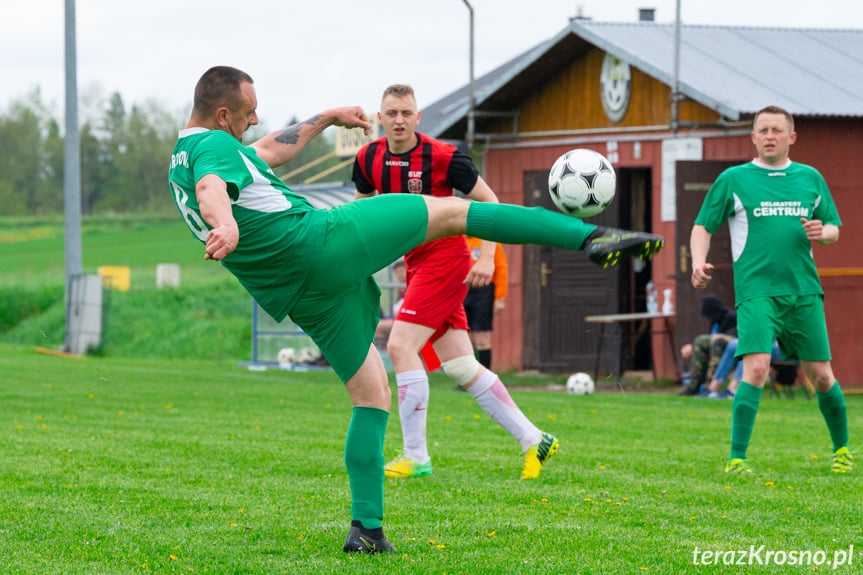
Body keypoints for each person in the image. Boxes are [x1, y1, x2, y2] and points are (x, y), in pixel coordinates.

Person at [168, 66, 664, 554]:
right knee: (452, 213)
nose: (254, 121)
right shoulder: (211, 149)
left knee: (371, 393)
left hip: (300, 293)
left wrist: (327, 117)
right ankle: (594, 238)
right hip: (320, 242)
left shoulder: (187, 156)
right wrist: (226, 224)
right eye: (248, 114)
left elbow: (270, 151)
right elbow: (215, 189)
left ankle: (367, 530)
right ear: (223, 112)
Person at [352, 84, 559, 483]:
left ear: (417, 117)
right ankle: (535, 438)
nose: (398, 120)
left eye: (406, 113)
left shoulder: (444, 156)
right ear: (380, 118)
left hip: (446, 259)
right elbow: (362, 211)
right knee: (462, 366)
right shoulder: (368, 158)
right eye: (391, 113)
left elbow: (491, 204)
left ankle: (416, 456)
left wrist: (486, 255)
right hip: (415, 262)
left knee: (399, 345)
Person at [690, 105, 851, 475]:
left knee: (822, 375)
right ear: (753, 137)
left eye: (777, 130)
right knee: (757, 367)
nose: (769, 136)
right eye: (763, 130)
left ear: (791, 137)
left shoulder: (810, 178)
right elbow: (702, 226)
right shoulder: (734, 179)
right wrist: (698, 262)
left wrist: (821, 233)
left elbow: (833, 229)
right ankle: (737, 458)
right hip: (756, 292)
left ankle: (842, 450)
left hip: (804, 291)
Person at [462, 236, 508, 370]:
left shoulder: (489, 242)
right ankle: (468, 378)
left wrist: (500, 298)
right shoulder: (458, 239)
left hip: (483, 290)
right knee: (464, 338)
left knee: (482, 338)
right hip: (462, 289)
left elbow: (501, 268)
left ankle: (485, 379)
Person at [678, 294, 737, 396]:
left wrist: (719, 336)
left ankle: (710, 387)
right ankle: (694, 385)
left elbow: (735, 334)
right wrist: (693, 348)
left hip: (733, 347)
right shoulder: (715, 320)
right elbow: (711, 337)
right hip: (718, 347)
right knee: (699, 343)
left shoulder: (731, 316)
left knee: (711, 342)